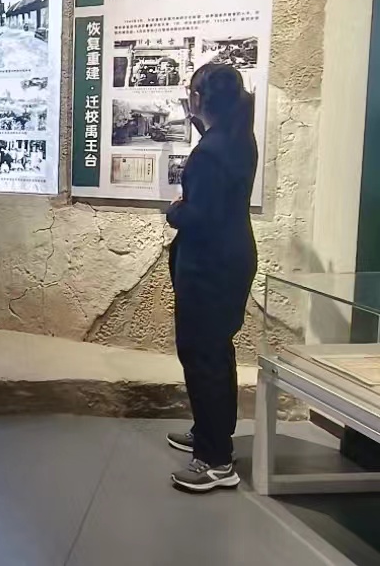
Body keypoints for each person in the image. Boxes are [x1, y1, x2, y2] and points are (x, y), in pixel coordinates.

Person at [165, 63, 257, 493]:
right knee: (215, 353)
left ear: (199, 99)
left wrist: (174, 212)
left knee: (203, 357)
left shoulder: (210, 152)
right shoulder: (237, 137)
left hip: (209, 267)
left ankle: (216, 459)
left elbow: (198, 216)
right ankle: (210, 433)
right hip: (229, 260)